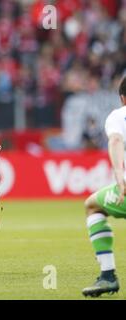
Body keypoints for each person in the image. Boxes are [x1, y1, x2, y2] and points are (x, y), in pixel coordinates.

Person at [81, 76, 126, 297]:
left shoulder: (118, 116)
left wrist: (119, 175)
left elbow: (116, 141)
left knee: (92, 205)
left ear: (122, 98)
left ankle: (108, 276)